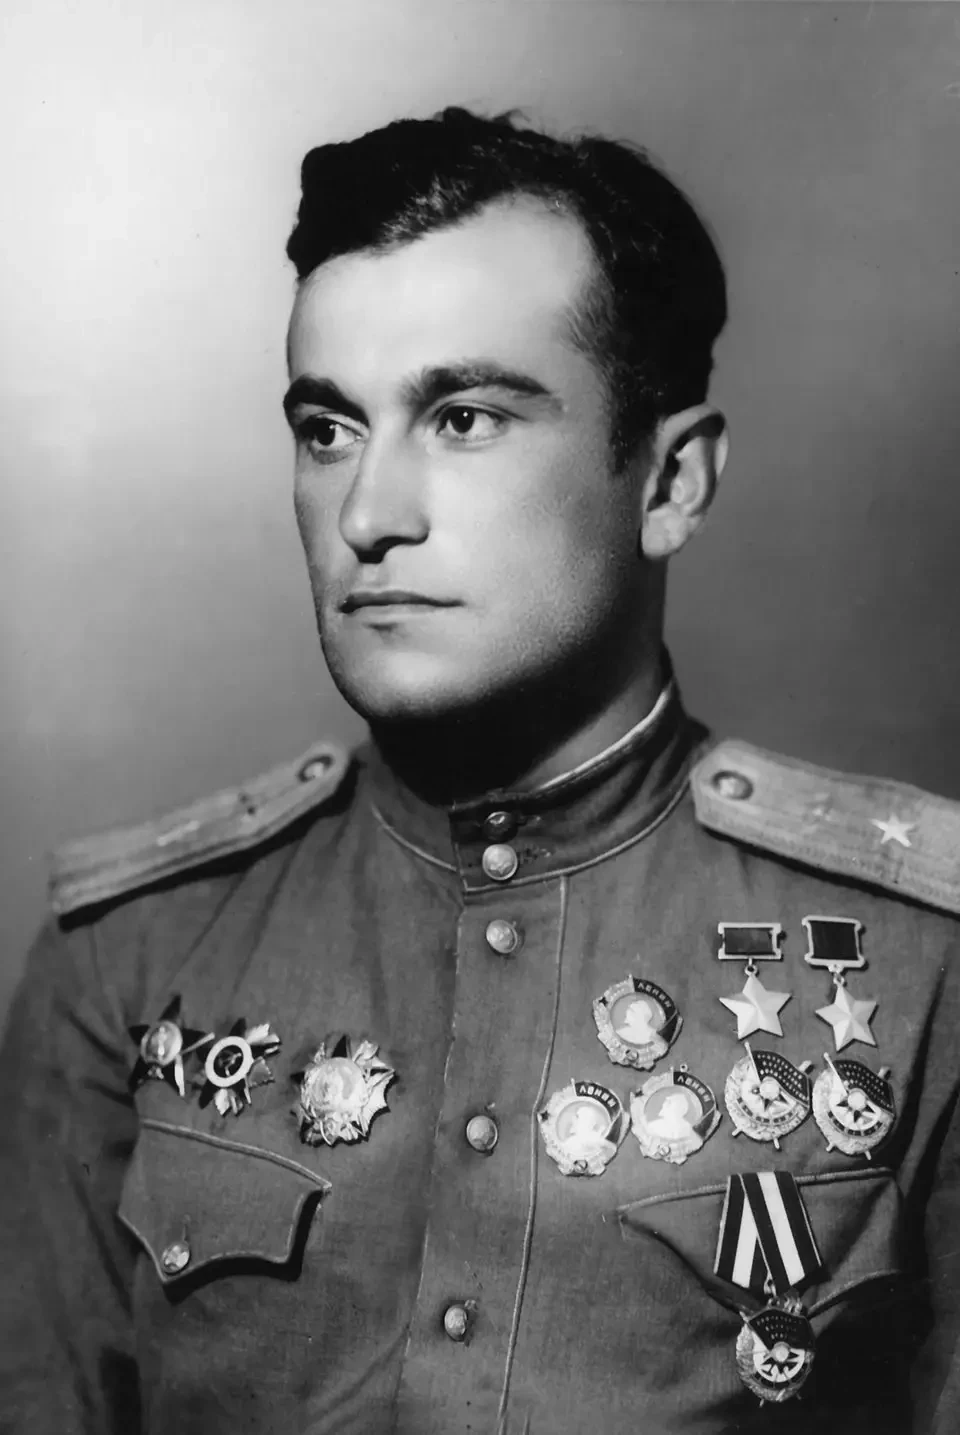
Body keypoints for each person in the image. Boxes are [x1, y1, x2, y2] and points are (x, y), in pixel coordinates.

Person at [0, 106, 956, 1435]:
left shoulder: (922, 959)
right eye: (328, 428)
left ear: (670, 483)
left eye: (463, 418)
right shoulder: (131, 952)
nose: (369, 514)